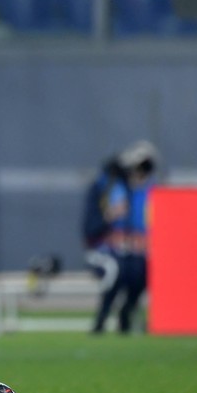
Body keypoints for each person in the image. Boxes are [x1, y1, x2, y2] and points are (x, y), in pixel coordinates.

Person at [85, 140, 157, 334]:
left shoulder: (141, 193)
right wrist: (110, 217)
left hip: (127, 251)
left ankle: (126, 315)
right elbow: (90, 230)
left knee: (140, 268)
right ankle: (101, 320)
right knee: (116, 268)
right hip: (100, 251)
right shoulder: (104, 189)